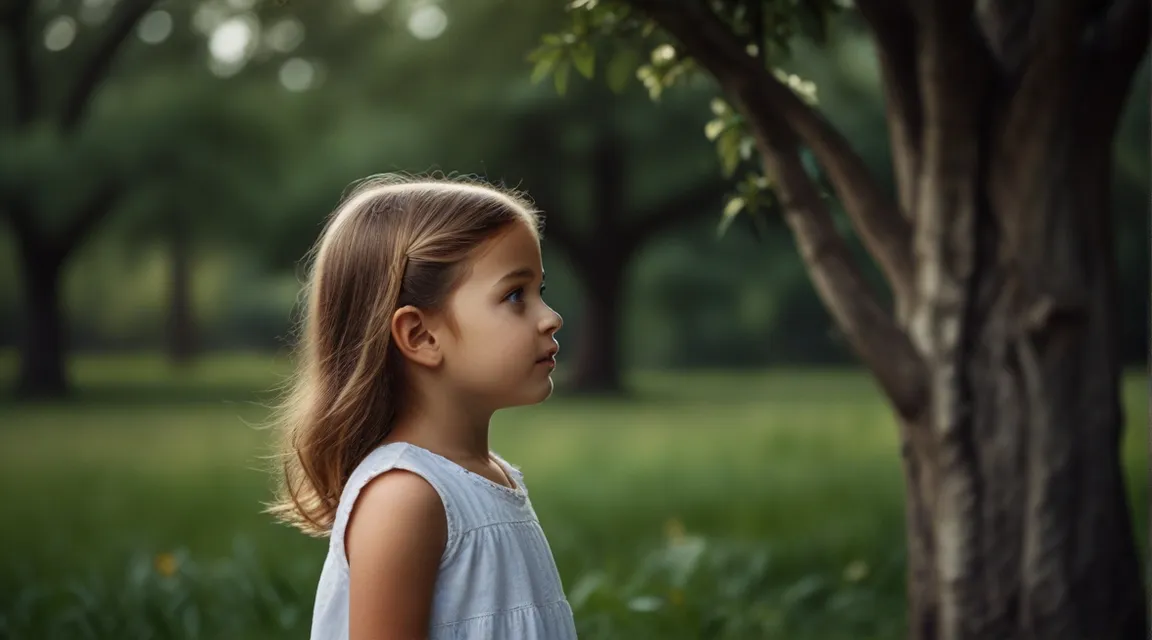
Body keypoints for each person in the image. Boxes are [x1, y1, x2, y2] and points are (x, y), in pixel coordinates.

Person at [264, 174, 577, 639]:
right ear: (420, 336)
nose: (551, 317)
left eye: (541, 292)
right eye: (515, 295)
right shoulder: (405, 498)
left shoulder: (494, 477)